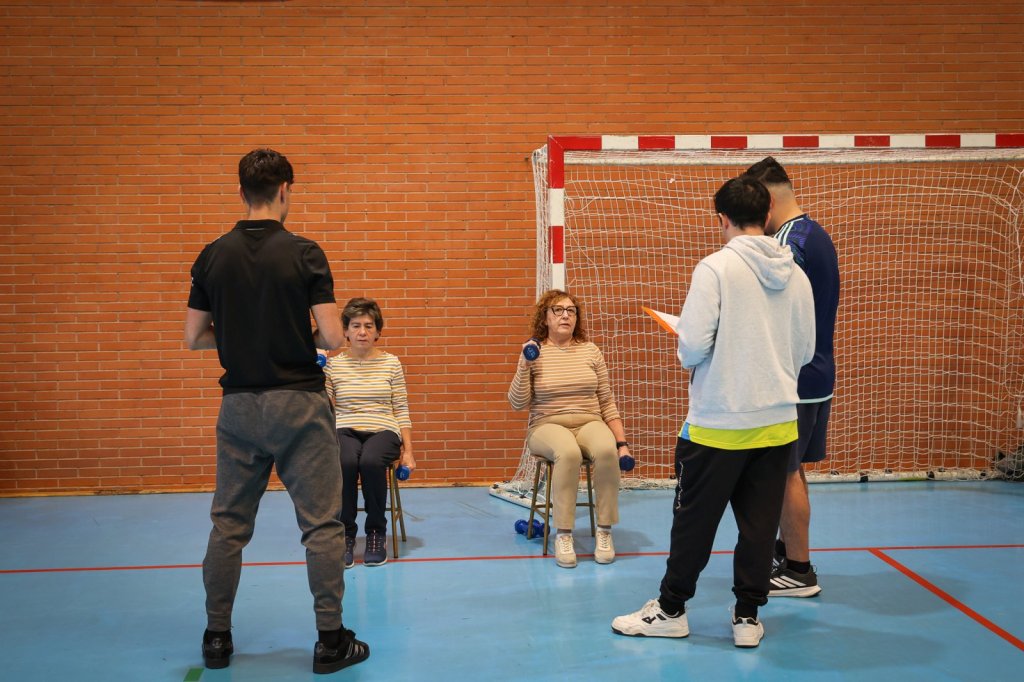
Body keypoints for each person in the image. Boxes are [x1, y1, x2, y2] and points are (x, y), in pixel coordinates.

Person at [184, 148, 369, 674]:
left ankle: (216, 638)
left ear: (241, 191)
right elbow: (333, 337)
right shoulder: (305, 253)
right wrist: (292, 336)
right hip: (299, 405)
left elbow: (194, 337)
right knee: (322, 528)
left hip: (239, 407)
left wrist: (242, 337)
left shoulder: (212, 256)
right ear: (285, 189)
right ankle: (330, 642)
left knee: (228, 527)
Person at [612, 176, 815, 648]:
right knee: (760, 527)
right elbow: (805, 350)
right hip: (778, 422)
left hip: (719, 424)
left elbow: (692, 349)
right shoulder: (796, 272)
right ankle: (748, 618)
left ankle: (671, 609)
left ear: (721, 218)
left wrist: (699, 343)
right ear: (766, 216)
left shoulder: (715, 268)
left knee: (693, 524)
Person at [745, 156, 840, 598]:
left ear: (766, 199)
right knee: (792, 472)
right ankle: (789, 556)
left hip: (796, 380)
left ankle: (799, 570)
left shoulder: (789, 243)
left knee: (784, 474)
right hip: (816, 374)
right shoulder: (813, 233)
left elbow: (777, 314)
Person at [507, 289, 632, 568]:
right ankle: (563, 533)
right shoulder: (534, 351)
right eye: (558, 310)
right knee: (569, 452)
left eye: (571, 310)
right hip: (547, 424)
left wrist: (621, 442)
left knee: (605, 449)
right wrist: (525, 365)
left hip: (589, 420)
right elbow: (517, 403)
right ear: (545, 317)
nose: (565, 315)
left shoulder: (590, 350)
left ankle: (604, 531)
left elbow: (606, 400)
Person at [324, 297, 414, 568]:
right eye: (355, 326)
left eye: (368, 326)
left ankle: (376, 533)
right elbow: (325, 408)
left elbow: (401, 407)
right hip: (344, 428)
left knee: (372, 461)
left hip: (383, 429)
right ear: (346, 332)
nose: (362, 331)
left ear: (377, 332)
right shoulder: (333, 365)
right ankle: (346, 534)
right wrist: (316, 377)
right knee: (346, 461)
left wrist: (408, 451)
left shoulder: (391, 363)